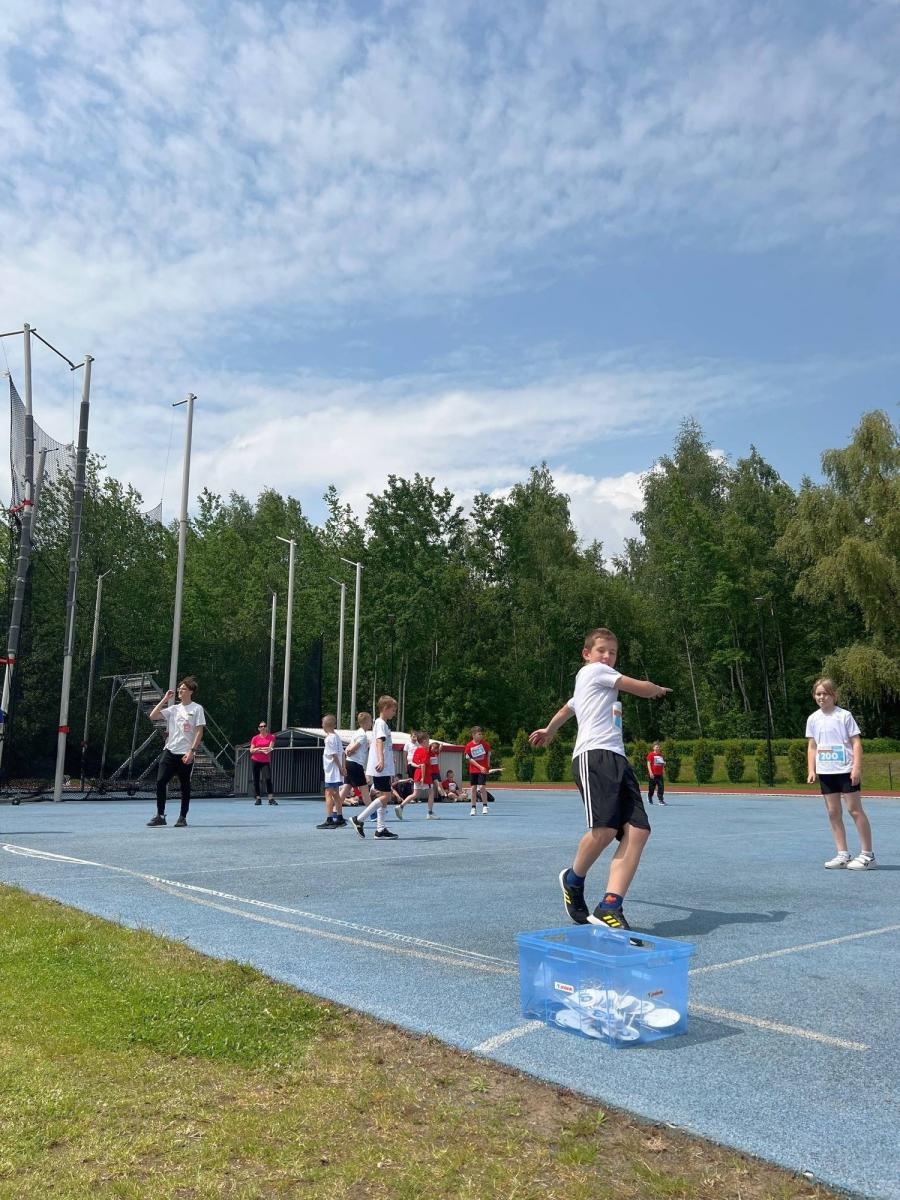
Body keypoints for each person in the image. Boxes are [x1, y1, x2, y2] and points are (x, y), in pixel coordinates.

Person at [529, 627, 671, 930]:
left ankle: (610, 905)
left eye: (613, 653)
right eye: (602, 651)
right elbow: (641, 688)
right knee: (604, 830)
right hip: (594, 757)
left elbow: (569, 707)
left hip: (617, 758)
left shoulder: (592, 686)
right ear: (587, 655)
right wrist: (655, 688)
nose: (607, 657)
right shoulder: (594, 672)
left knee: (638, 830)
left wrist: (550, 729)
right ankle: (572, 879)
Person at [806, 678, 876, 870]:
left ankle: (867, 855)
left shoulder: (844, 716)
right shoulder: (813, 719)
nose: (821, 697)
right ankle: (842, 854)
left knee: (854, 810)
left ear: (833, 695)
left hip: (846, 770)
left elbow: (856, 743)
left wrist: (856, 767)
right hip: (826, 772)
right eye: (818, 693)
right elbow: (812, 746)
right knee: (833, 812)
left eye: (825, 693)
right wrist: (811, 769)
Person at [146, 677, 206, 828]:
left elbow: (199, 732)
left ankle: (182, 817)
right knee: (160, 781)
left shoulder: (197, 709)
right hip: (170, 751)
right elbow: (153, 716)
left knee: (184, 785)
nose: (180, 690)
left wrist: (192, 751)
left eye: (184, 688)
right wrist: (165, 699)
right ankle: (160, 815)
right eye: (179, 688)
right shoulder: (174, 709)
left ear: (191, 691)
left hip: (186, 753)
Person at [351, 695, 399, 840]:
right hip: (380, 766)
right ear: (385, 709)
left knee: (384, 796)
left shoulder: (381, 723)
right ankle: (359, 819)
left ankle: (380, 829)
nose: (394, 713)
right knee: (386, 796)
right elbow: (379, 742)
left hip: (383, 766)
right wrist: (381, 760)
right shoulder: (380, 723)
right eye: (393, 710)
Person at [317, 714, 346, 829]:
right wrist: (343, 767)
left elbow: (333, 755)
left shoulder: (329, 739)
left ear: (325, 725)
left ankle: (329, 819)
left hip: (331, 771)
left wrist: (340, 767)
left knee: (328, 793)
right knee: (336, 794)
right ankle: (339, 817)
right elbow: (343, 753)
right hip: (336, 771)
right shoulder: (337, 737)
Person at [339, 712, 373, 812]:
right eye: (371, 720)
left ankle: (335, 809)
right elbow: (351, 750)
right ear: (366, 722)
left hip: (350, 763)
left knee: (346, 787)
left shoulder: (357, 733)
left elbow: (348, 749)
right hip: (355, 764)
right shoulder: (362, 735)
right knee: (364, 789)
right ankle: (372, 813)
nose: (371, 722)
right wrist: (350, 752)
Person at [464, 725, 491, 816]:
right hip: (474, 770)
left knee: (482, 787)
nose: (481, 736)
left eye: (481, 734)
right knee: (473, 788)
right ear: (473, 735)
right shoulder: (469, 746)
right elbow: (469, 759)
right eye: (479, 734)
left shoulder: (485, 744)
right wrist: (479, 767)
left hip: (482, 770)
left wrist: (487, 767)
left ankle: (485, 806)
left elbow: (488, 756)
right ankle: (473, 808)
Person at [249, 720, 277, 805]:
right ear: (259, 728)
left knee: (268, 778)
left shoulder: (271, 737)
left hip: (265, 761)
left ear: (266, 727)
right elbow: (251, 750)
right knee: (256, 780)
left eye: (264, 726)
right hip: (255, 761)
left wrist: (258, 749)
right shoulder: (255, 738)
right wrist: (261, 749)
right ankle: (258, 798)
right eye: (261, 726)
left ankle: (270, 799)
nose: (263, 727)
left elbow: (269, 749)